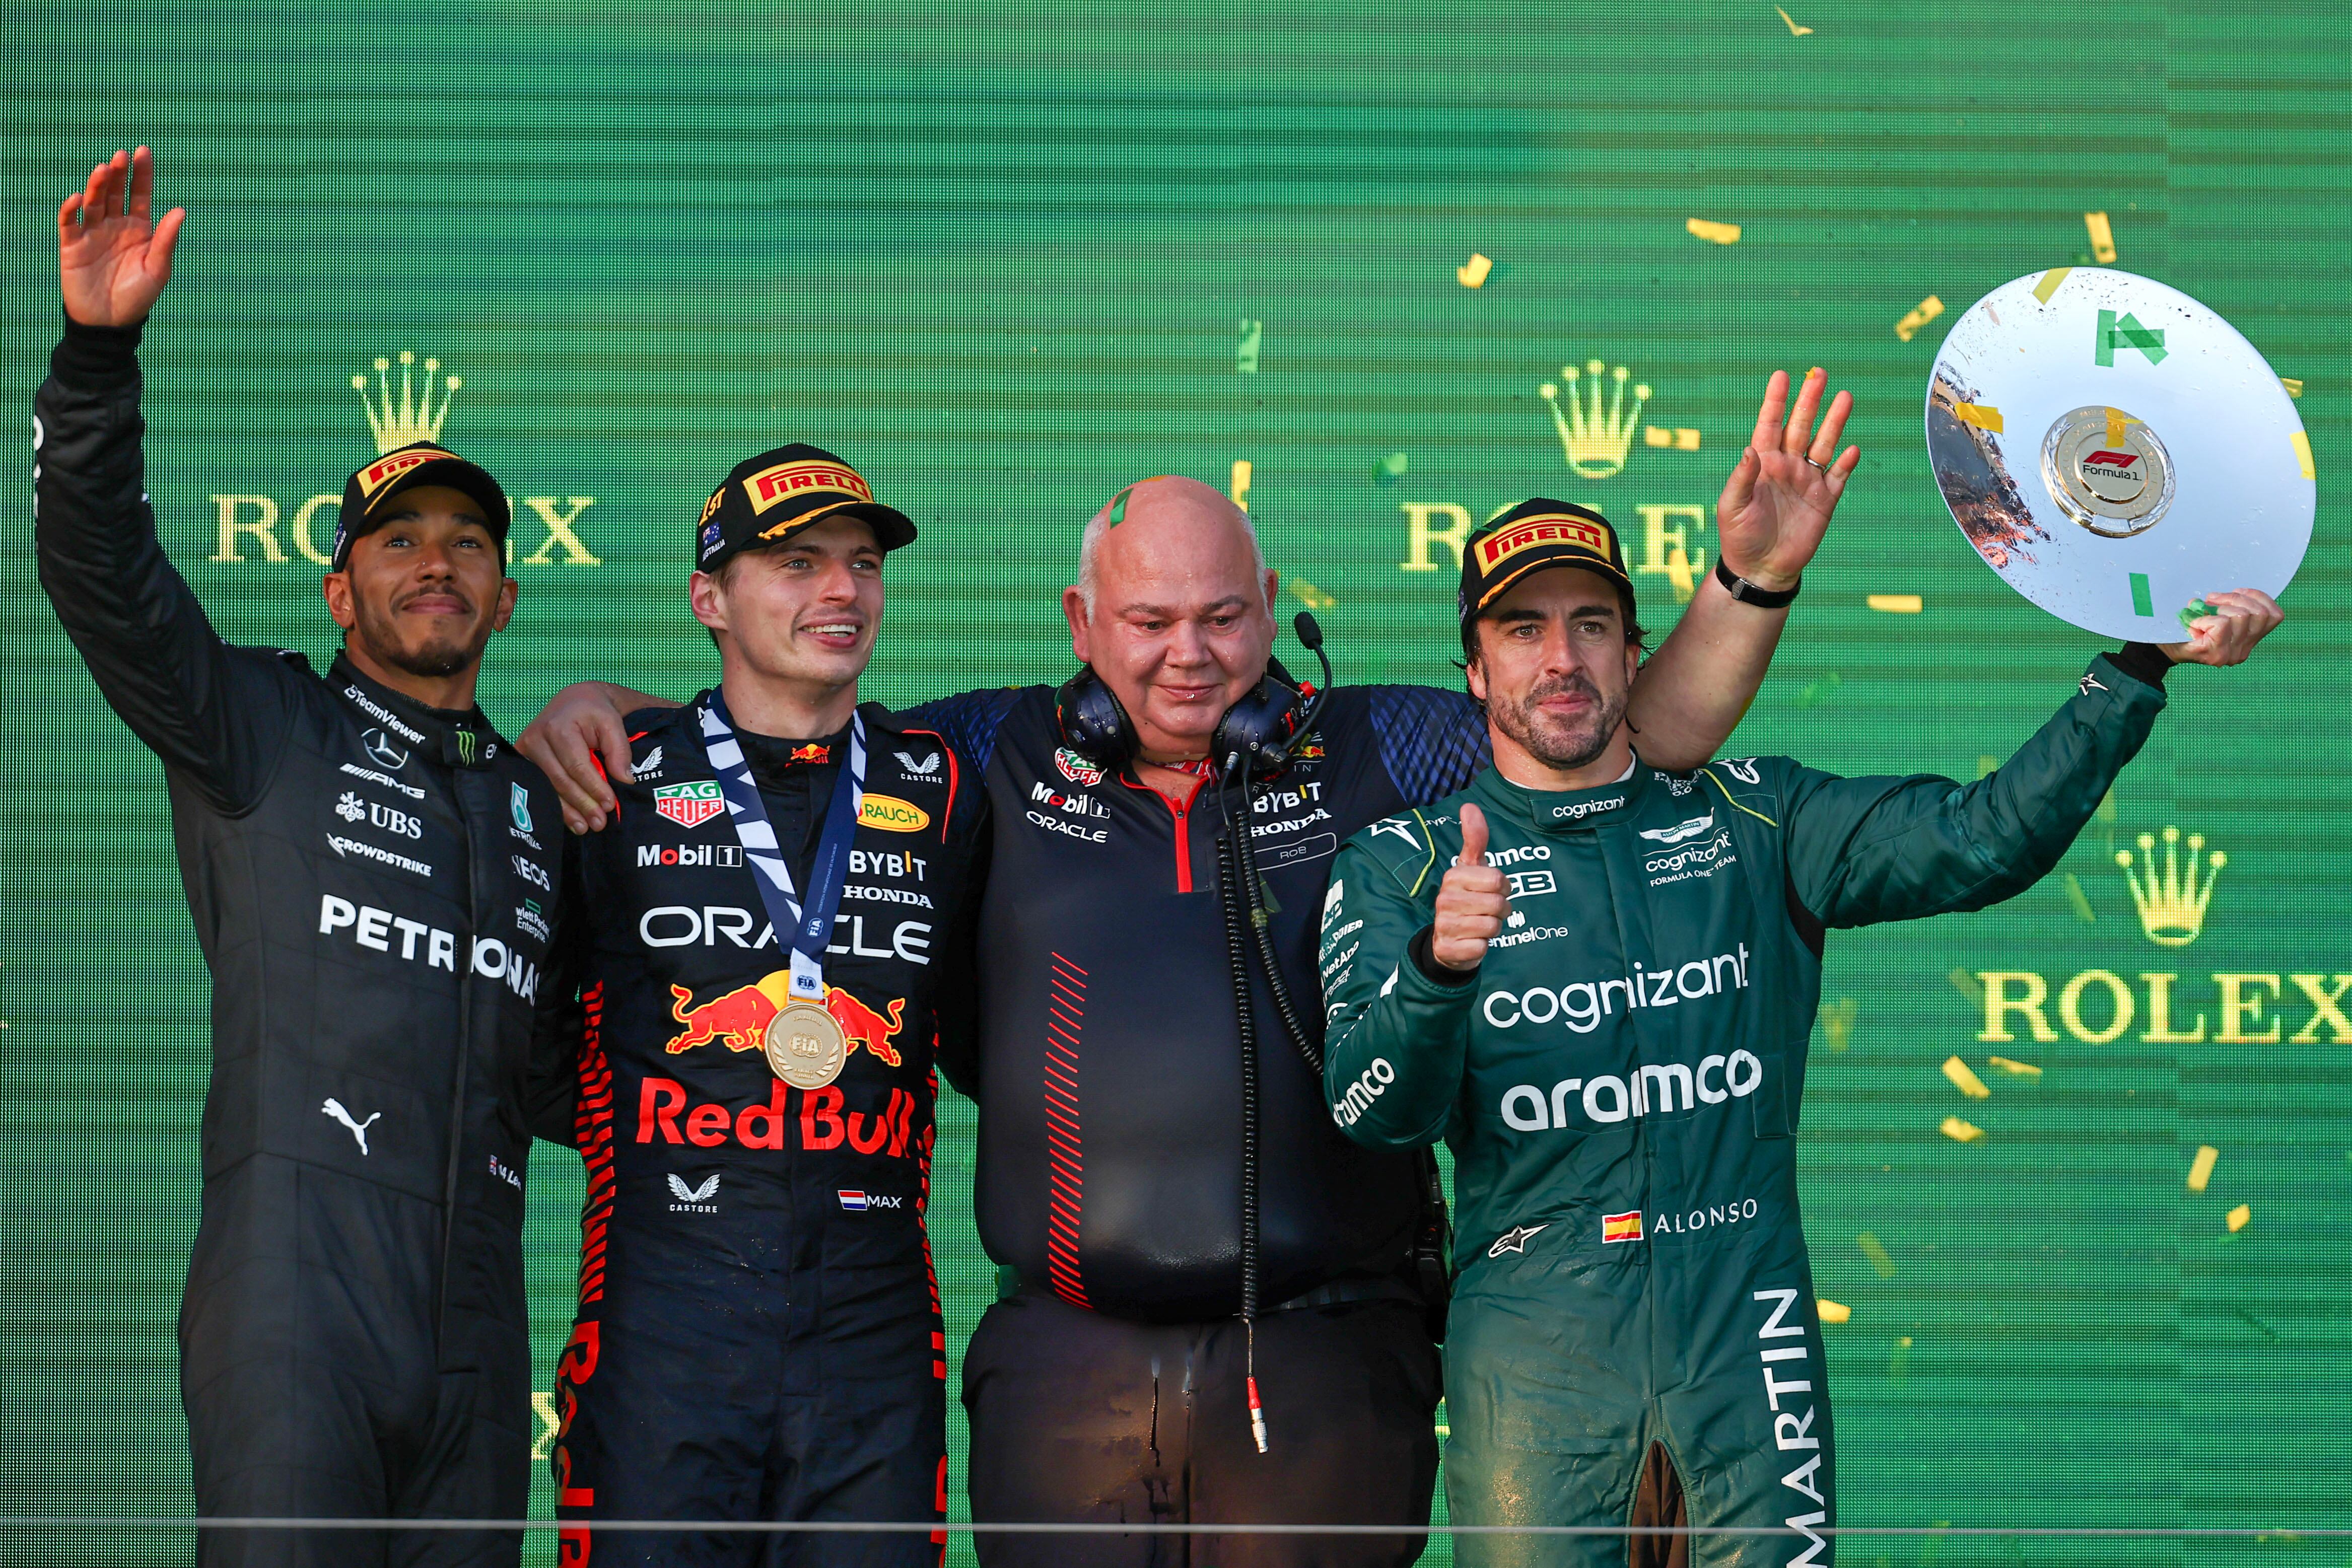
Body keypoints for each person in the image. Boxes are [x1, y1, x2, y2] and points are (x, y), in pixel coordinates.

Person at [519, 370, 1860, 1566]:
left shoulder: (1381, 741)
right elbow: (787, 740)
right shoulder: (986, 750)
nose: (1187, 653)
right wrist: (610, 715)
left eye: (1222, 617)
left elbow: (1640, 736)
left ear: (1269, 609)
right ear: (1081, 623)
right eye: (1148, 618)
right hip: (1062, 1376)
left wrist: (1746, 581)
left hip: (1327, 1364)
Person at [1318, 500, 2281, 1567]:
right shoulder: (1401, 865)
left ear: (1634, 654)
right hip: (1537, 1356)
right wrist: (1438, 970)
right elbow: (1375, 1113)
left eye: (1591, 624)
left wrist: (2138, 665)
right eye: (1521, 629)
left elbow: (1984, 839)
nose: (1560, 658)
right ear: (1472, 672)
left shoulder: (1755, 818)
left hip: (1747, 1334)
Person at [37, 147, 573, 1567]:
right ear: (340, 585)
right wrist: (100, 355)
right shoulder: (262, 723)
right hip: (296, 1304)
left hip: (475, 1324)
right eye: (397, 541)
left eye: (466, 542)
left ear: (509, 597)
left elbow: (580, 1077)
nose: (435, 562)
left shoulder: (532, 807)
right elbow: (99, 571)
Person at [536, 445, 987, 1568]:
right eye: (797, 564)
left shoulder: (944, 783)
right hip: (661, 1326)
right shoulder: (612, 775)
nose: (840, 591)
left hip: (874, 1333)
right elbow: (534, 1048)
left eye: (861, 564)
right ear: (709, 599)